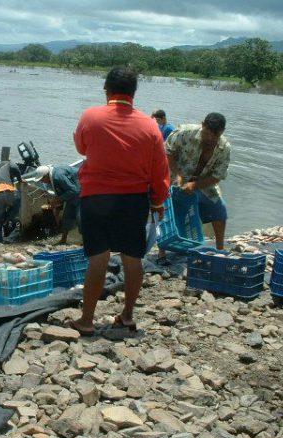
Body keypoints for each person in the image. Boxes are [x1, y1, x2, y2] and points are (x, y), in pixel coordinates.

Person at [71, 66, 170, 336]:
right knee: (133, 258)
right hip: (133, 200)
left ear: (106, 90)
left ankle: (87, 320)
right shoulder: (150, 125)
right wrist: (158, 202)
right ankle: (127, 315)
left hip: (96, 198)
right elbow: (160, 171)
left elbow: (81, 148)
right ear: (134, 94)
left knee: (98, 260)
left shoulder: (90, 117)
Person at [165, 112, 231, 250]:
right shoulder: (185, 132)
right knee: (168, 211)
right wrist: (177, 174)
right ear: (202, 125)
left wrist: (195, 185)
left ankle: (220, 249)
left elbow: (218, 176)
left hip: (204, 183)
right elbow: (167, 151)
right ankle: (162, 251)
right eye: (207, 133)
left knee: (220, 210)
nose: (210, 138)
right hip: (176, 178)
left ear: (222, 132)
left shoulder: (224, 148)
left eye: (215, 135)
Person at [151, 110, 177, 265]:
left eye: (156, 119)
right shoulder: (161, 127)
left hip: (166, 164)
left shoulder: (169, 128)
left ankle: (162, 246)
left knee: (165, 202)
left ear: (162, 118)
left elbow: (164, 147)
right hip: (162, 163)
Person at [33, 164, 81, 244]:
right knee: (67, 218)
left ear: (46, 176)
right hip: (72, 196)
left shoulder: (58, 176)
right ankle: (63, 240)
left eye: (42, 179)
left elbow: (74, 190)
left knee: (81, 220)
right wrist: (57, 211)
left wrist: (57, 199)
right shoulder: (52, 178)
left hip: (82, 194)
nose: (42, 181)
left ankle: (87, 242)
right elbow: (61, 193)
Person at [0, 160, 27, 244]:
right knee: (18, 199)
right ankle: (8, 218)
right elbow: (15, 167)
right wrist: (20, 179)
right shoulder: (9, 163)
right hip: (8, 192)